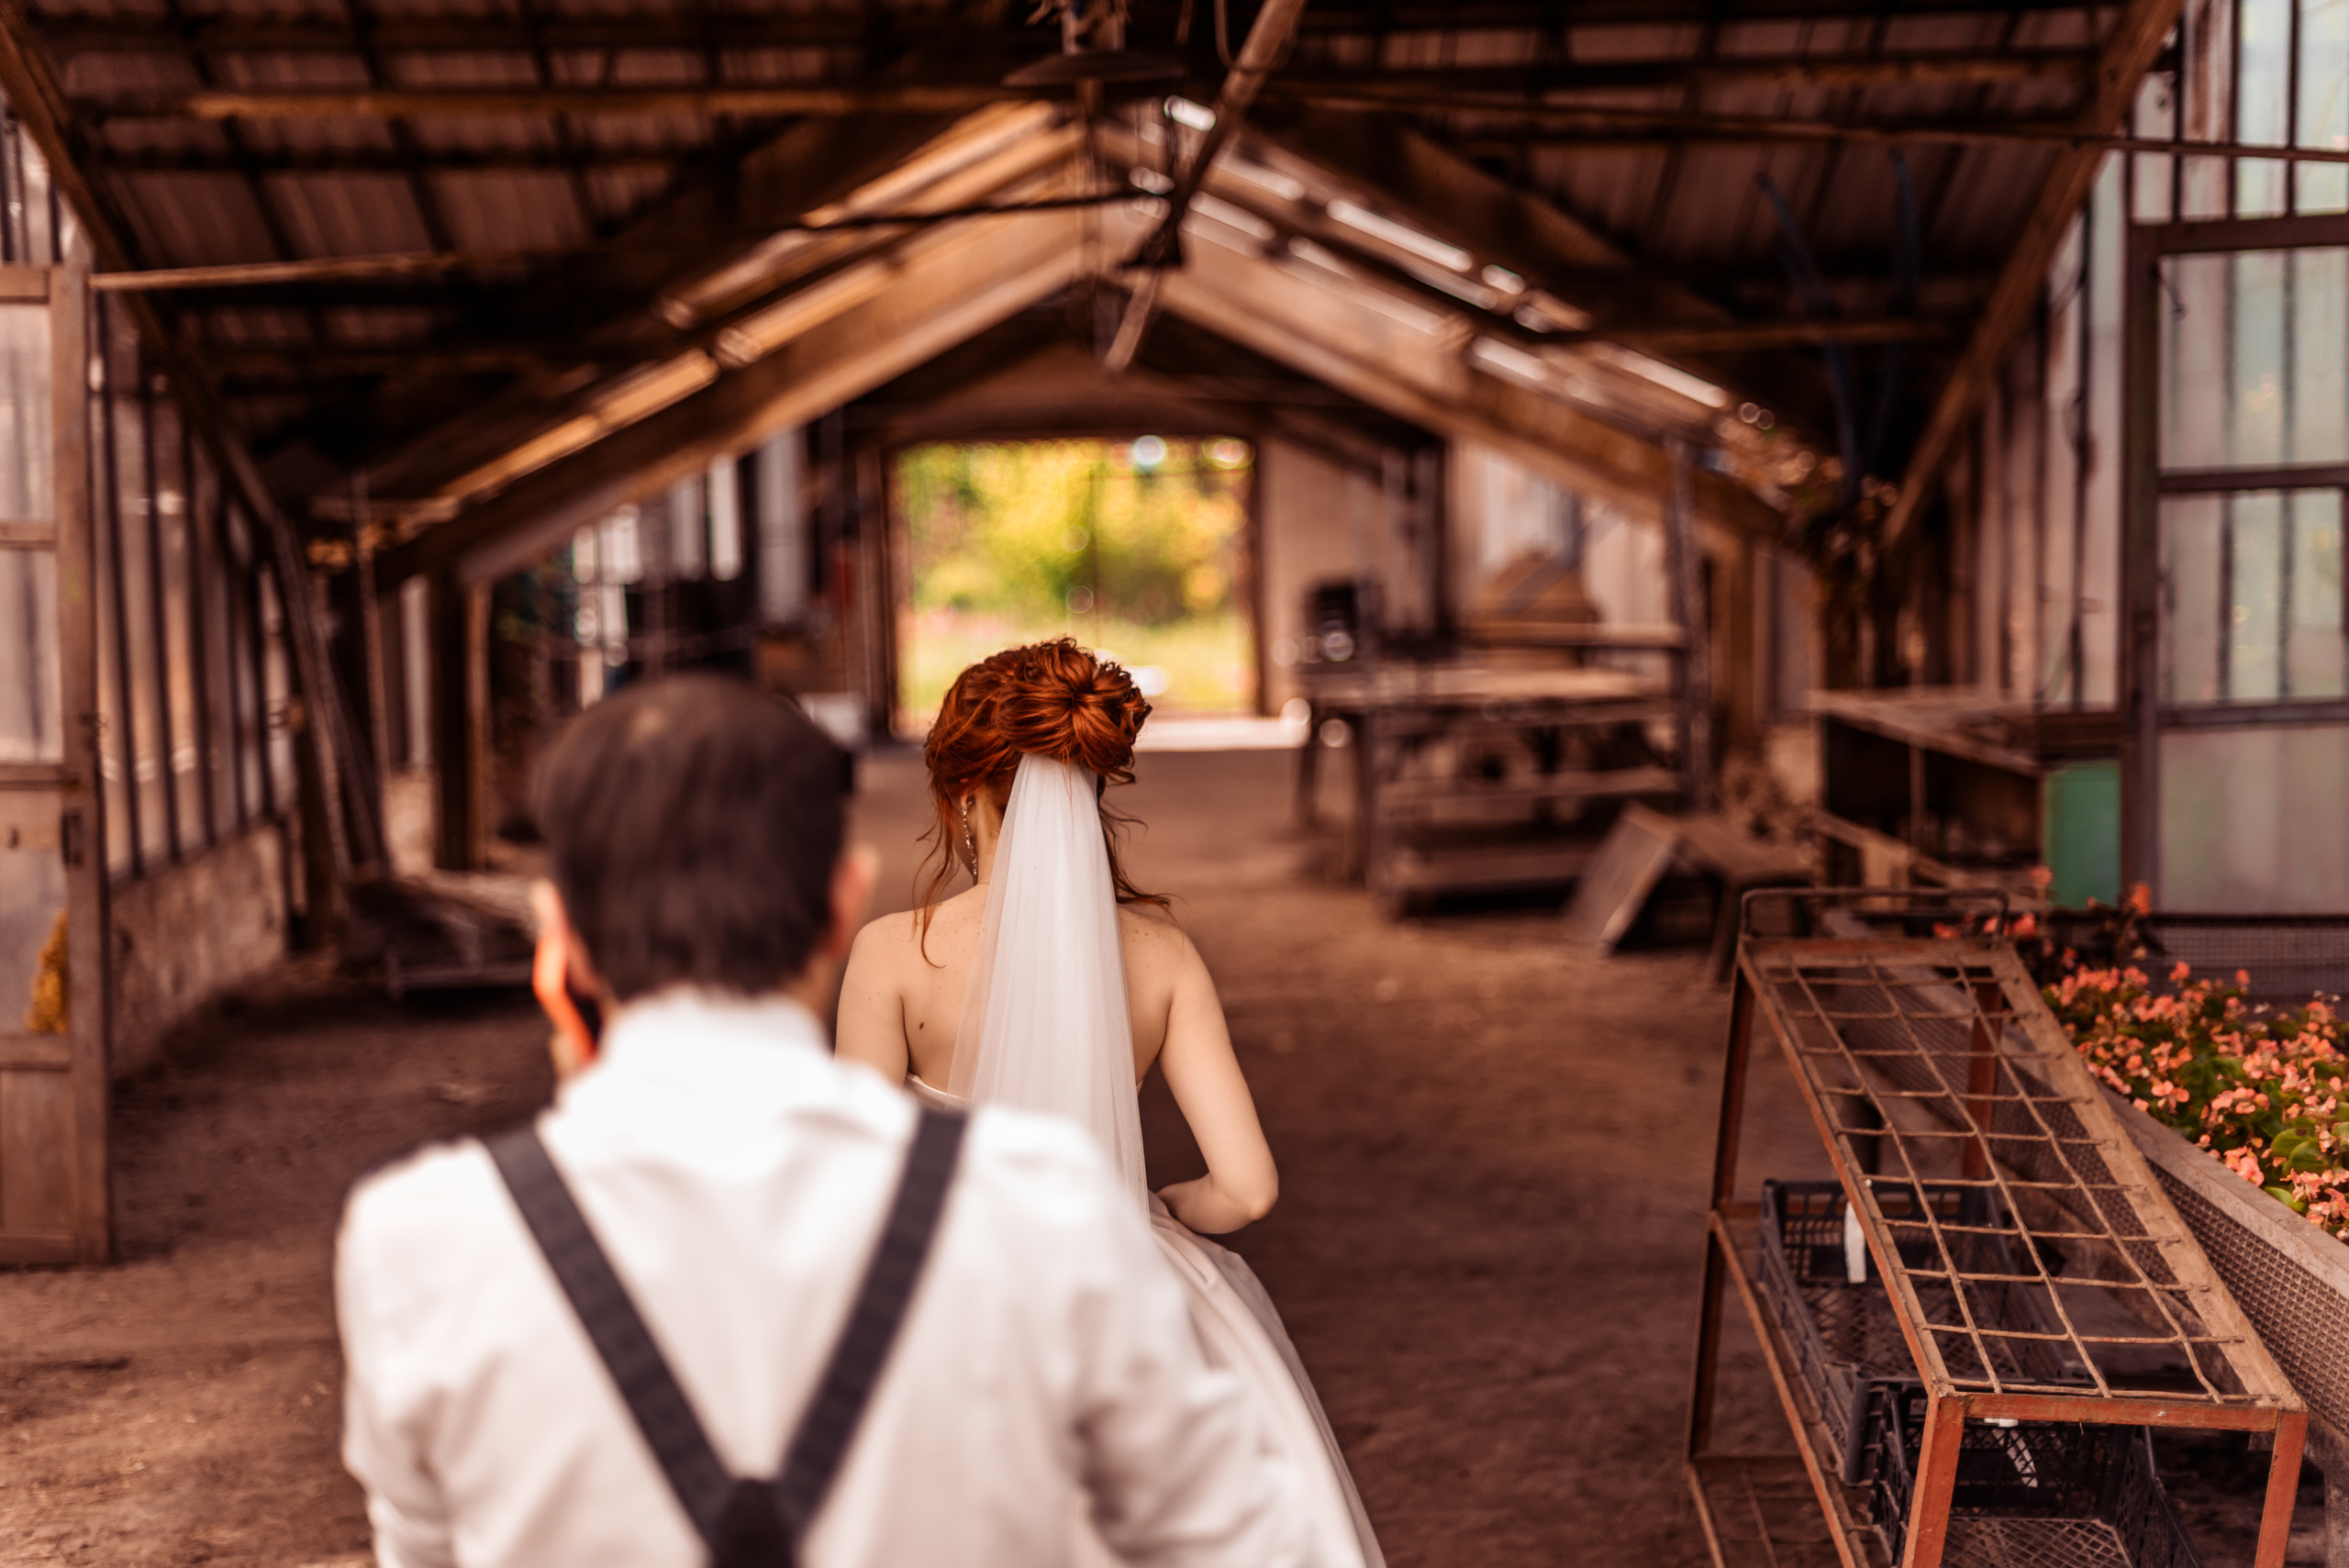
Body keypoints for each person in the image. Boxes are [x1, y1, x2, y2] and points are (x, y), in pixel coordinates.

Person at [335, 673, 1310, 1568]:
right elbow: (1242, 1542)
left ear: (558, 943)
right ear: (844, 901)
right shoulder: (1043, 1215)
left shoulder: (415, 1241)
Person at [837, 639, 1386, 1568]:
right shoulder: (1162, 954)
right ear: (1093, 793)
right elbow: (1247, 1188)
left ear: (963, 798)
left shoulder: (893, 954)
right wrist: (1157, 1210)